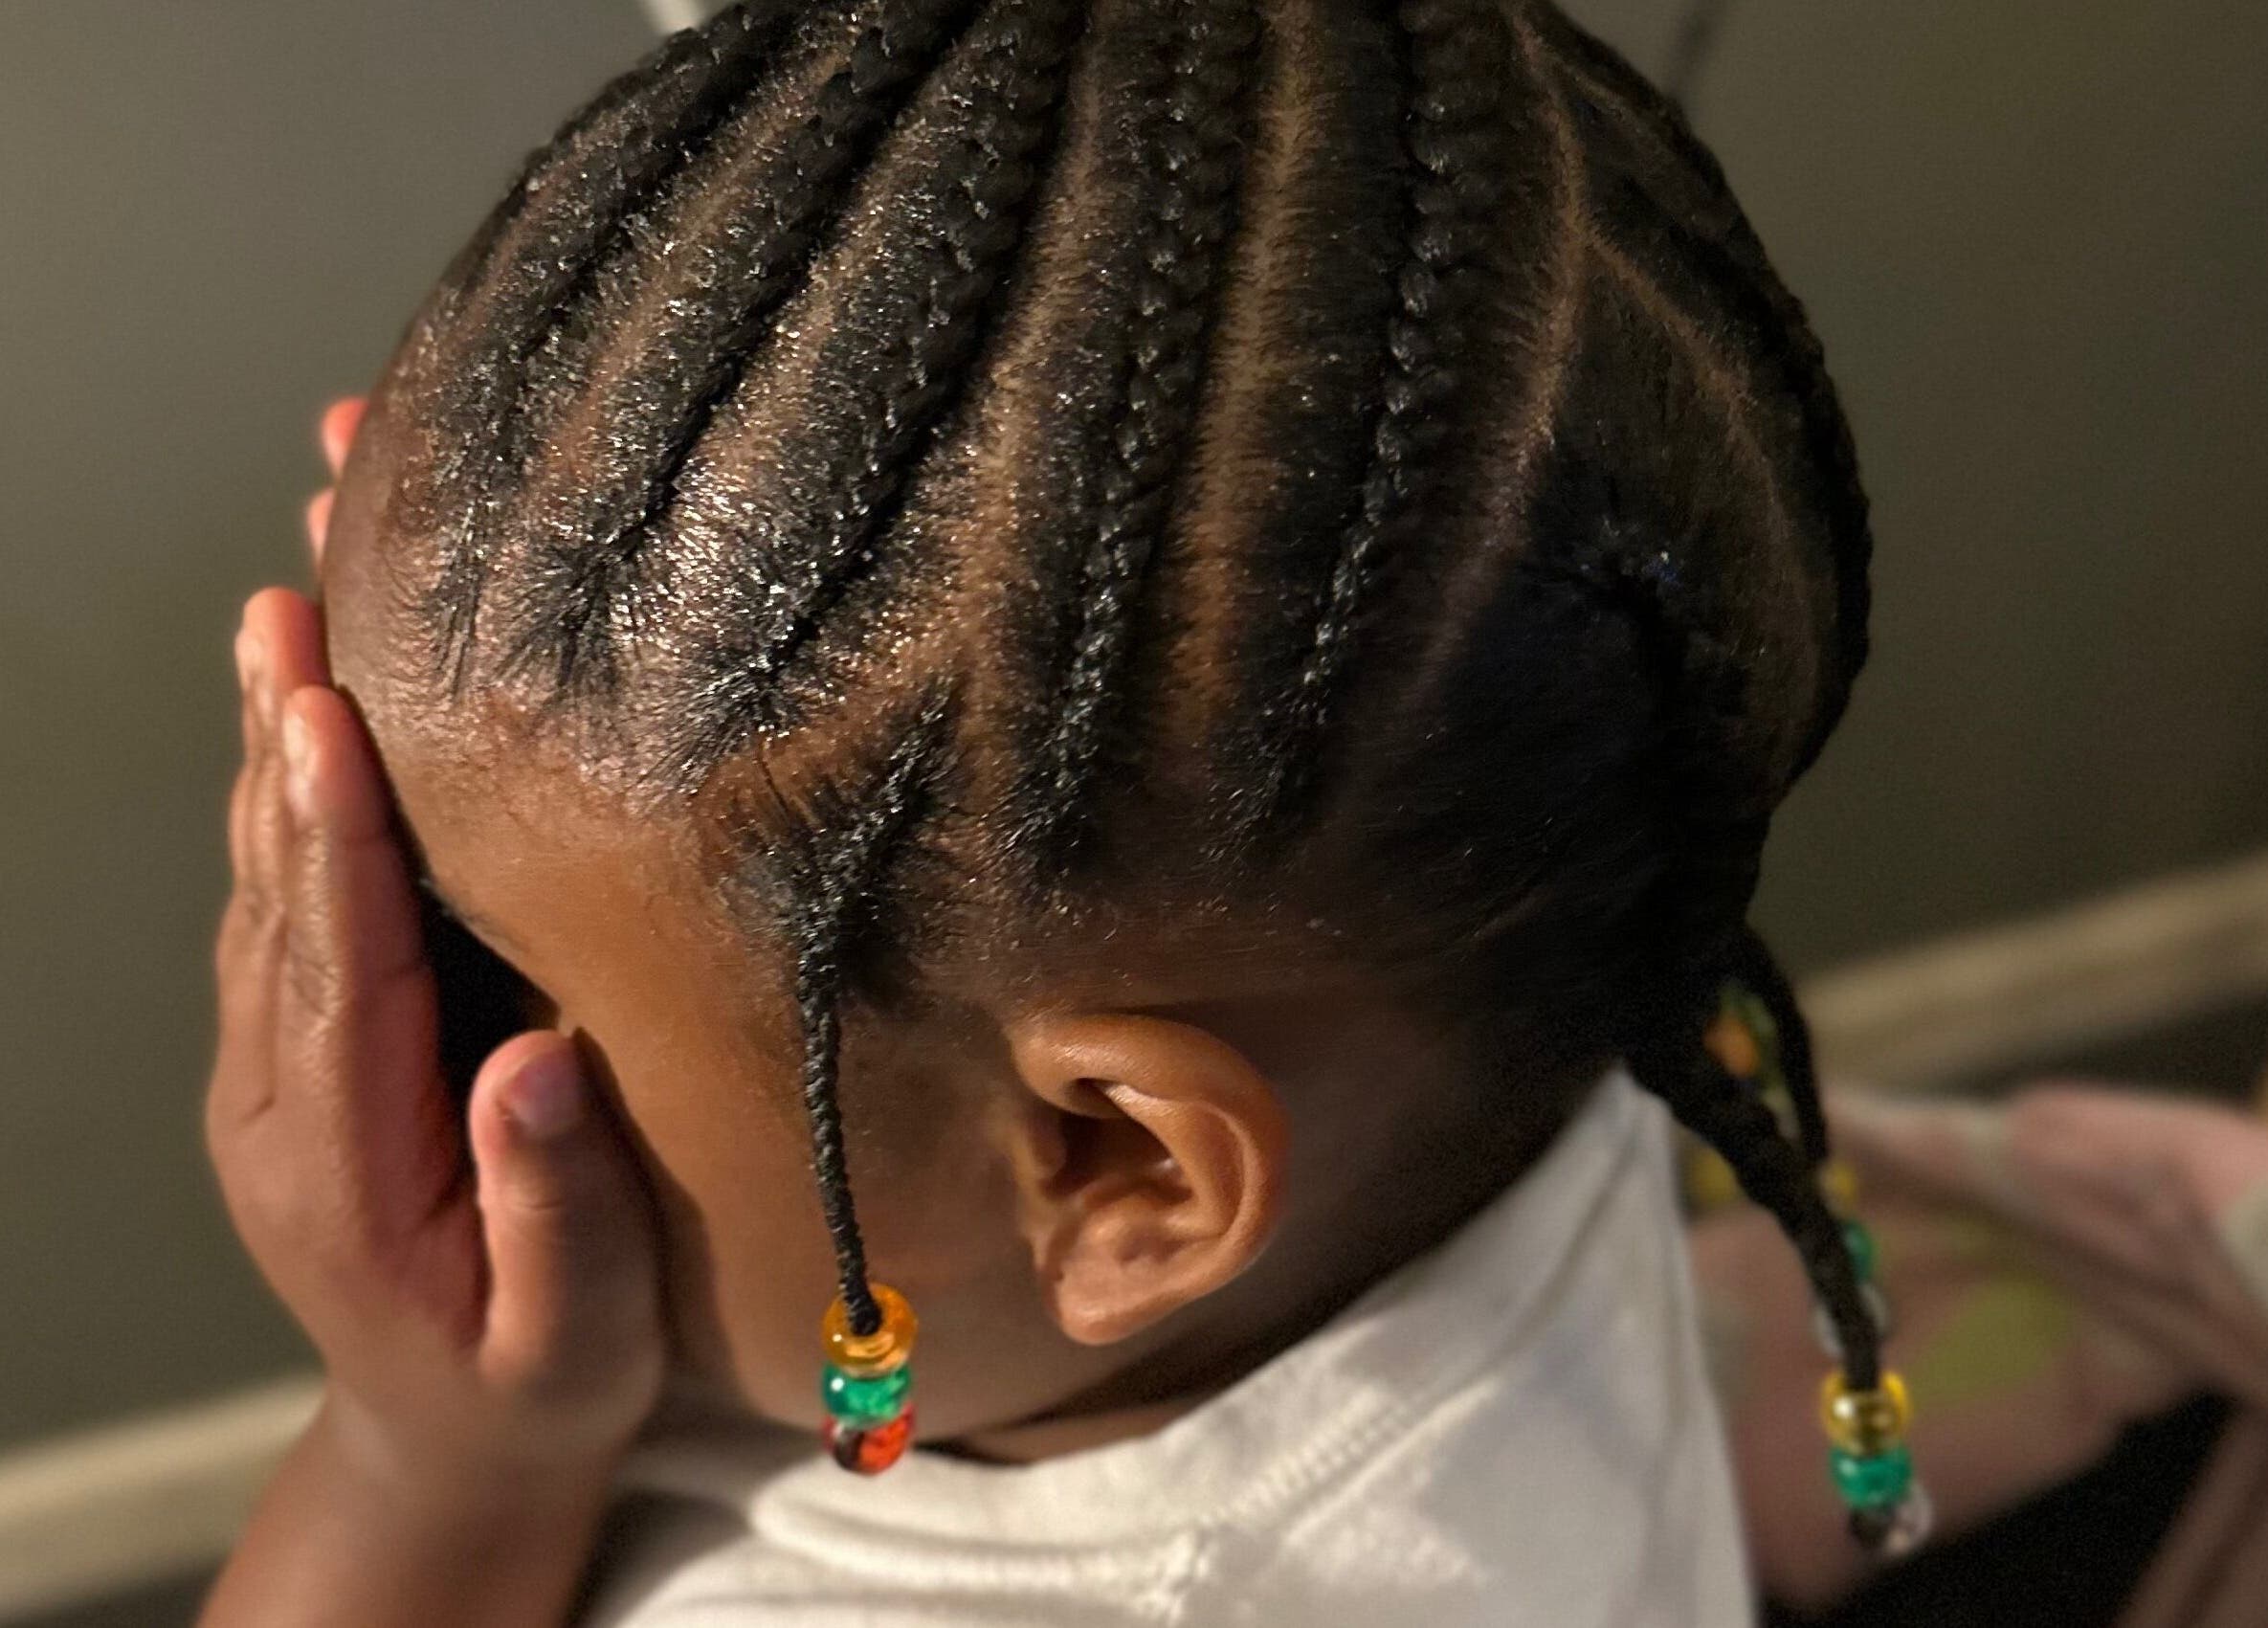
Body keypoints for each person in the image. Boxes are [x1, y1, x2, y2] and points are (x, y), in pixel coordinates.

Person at [196, 1, 1903, 1622]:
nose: (357, 1012)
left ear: (1115, 1168)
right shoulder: (1487, 1000)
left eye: (483, 971)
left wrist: (432, 1453)